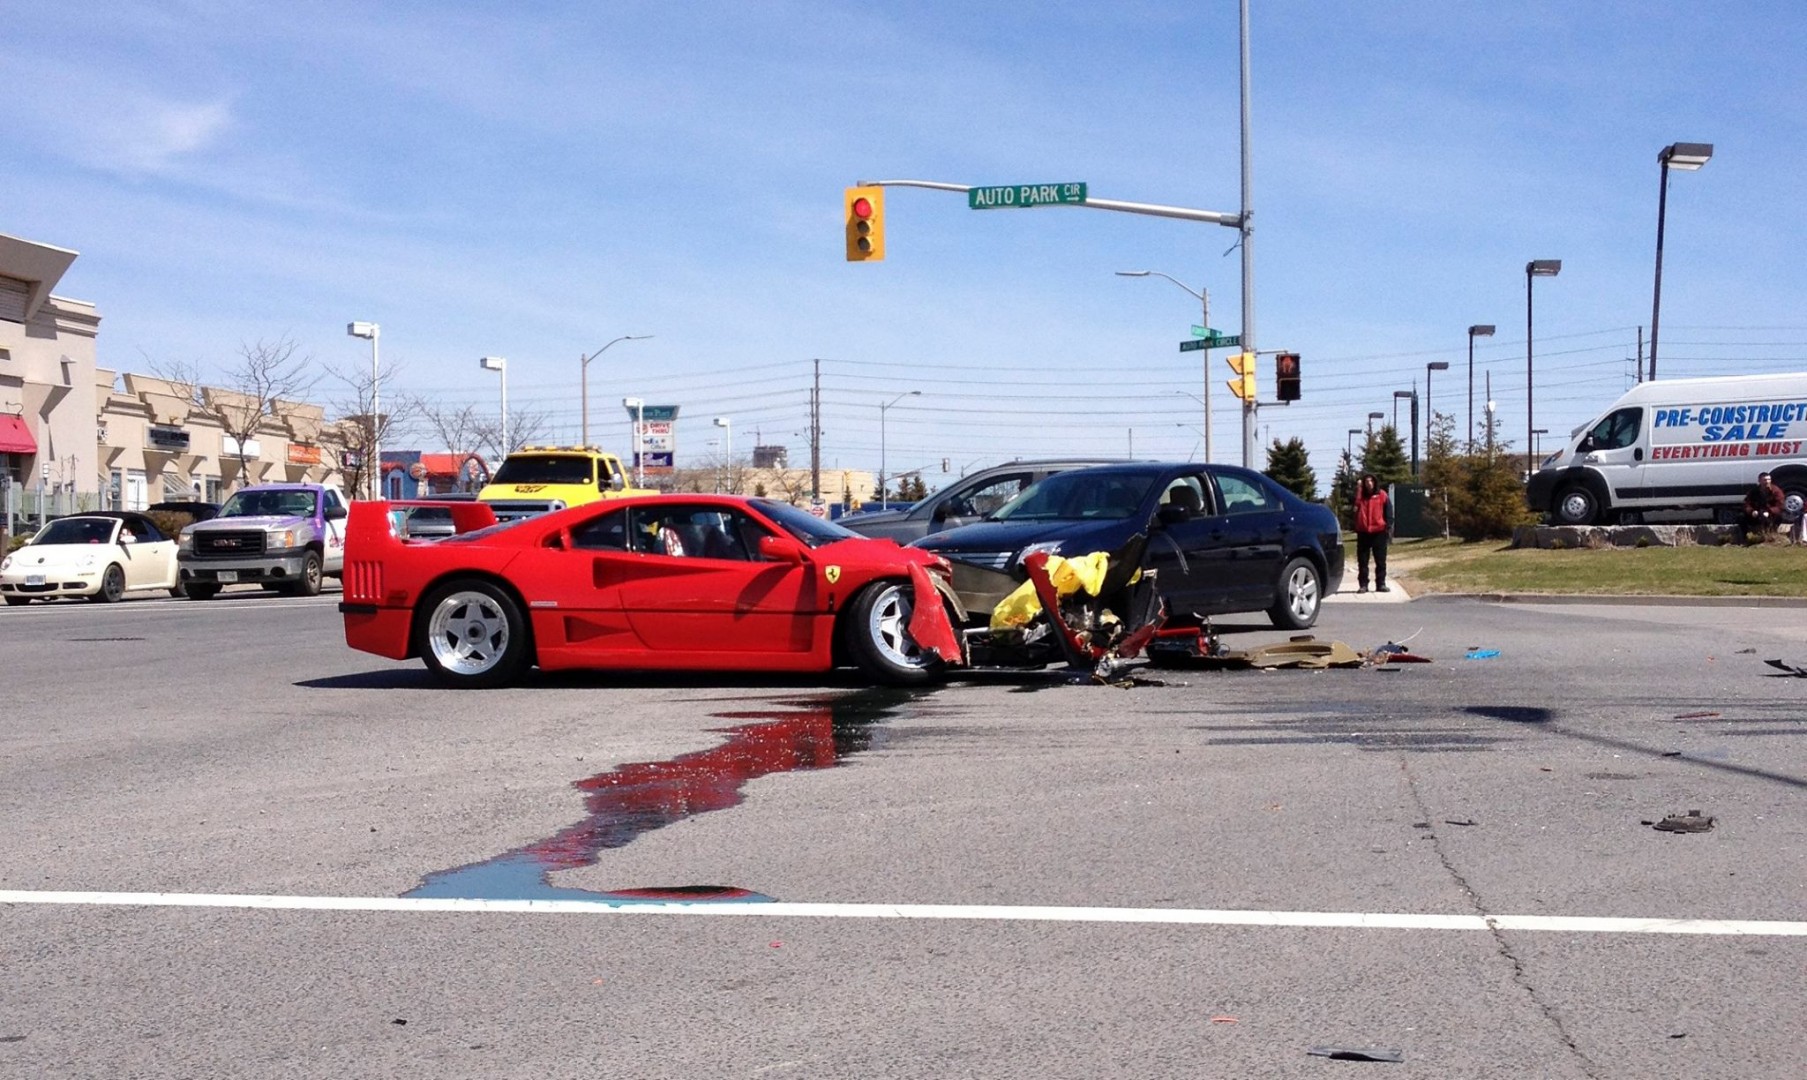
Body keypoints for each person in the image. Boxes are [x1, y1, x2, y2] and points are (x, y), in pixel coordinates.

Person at [1353, 474, 1393, 593]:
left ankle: (1381, 584)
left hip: (1379, 532)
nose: (1369, 483)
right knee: (1363, 561)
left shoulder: (1382, 495)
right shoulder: (1361, 496)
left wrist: (1387, 526)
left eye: (1371, 481)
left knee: (1380, 561)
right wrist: (1359, 490)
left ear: (1375, 482)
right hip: (1363, 532)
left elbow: (1389, 512)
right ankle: (1363, 585)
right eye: (1366, 481)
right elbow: (1355, 509)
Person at [1739, 471, 1785, 541]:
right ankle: (1744, 538)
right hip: (1757, 514)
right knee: (1741, 517)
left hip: (1770, 515)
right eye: (1765, 480)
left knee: (1780, 516)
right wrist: (1752, 511)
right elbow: (1746, 504)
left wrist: (1769, 511)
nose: (1767, 482)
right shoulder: (1754, 491)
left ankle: (1769, 536)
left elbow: (1780, 506)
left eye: (1769, 479)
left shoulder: (1776, 491)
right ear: (1759, 481)